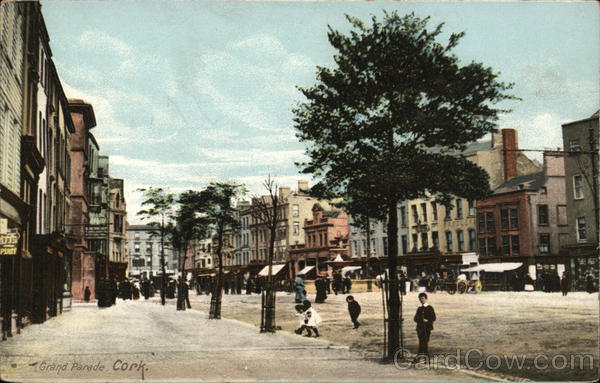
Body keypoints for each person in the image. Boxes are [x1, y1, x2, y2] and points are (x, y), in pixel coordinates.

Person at [414, 292, 436, 361]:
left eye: (423, 298)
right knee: (421, 342)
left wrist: (427, 320)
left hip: (427, 328)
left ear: (426, 299)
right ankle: (424, 358)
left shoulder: (430, 308)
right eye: (420, 299)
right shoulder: (419, 309)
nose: (421, 300)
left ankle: (422, 358)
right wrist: (420, 319)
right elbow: (415, 318)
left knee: (425, 342)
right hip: (420, 328)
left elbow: (433, 317)